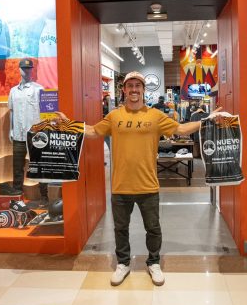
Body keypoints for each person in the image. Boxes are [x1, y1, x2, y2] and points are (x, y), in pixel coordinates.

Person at [56, 71, 223, 287]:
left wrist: (207, 120)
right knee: (120, 229)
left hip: (148, 185)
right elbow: (94, 131)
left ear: (144, 90)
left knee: (153, 228)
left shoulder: (155, 116)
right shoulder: (114, 116)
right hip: (120, 185)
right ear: (124, 90)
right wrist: (69, 124)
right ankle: (123, 263)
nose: (134, 89)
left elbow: (180, 129)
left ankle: (153, 262)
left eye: (138, 86)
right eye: (130, 86)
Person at [8, 58, 49, 206]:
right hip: (18, 134)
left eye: (28, 68)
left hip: (35, 135)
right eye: (24, 68)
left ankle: (44, 196)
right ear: (19, 69)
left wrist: (45, 131)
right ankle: (17, 196)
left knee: (39, 165)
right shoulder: (13, 91)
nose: (26, 71)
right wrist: (11, 129)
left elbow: (45, 113)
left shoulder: (39, 89)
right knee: (17, 167)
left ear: (32, 70)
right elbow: (11, 111)